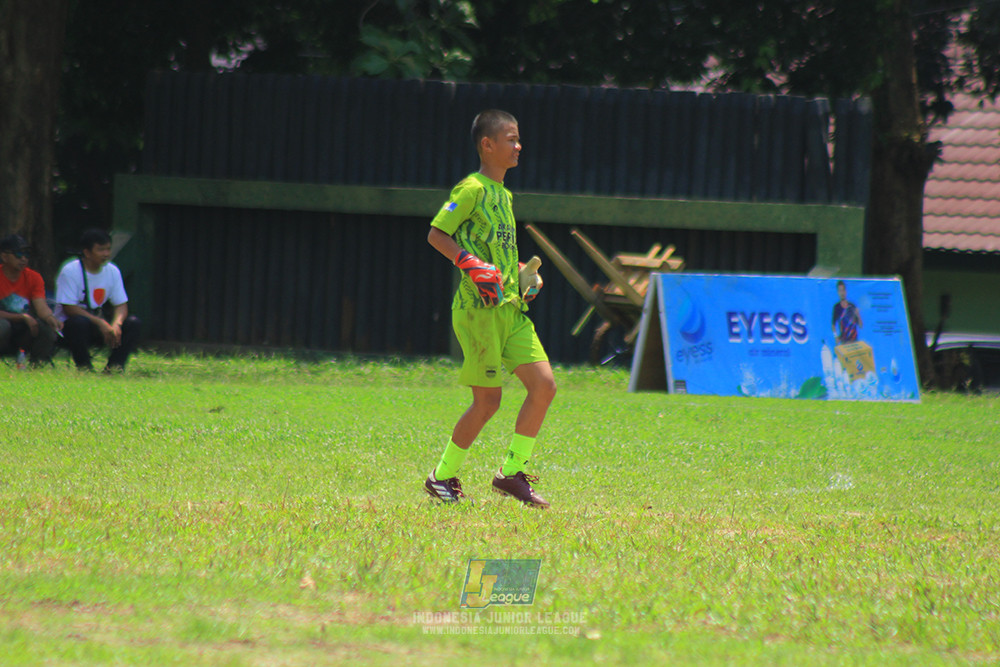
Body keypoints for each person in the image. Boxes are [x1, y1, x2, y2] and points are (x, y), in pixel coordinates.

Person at [423, 109, 557, 509]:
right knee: (488, 401)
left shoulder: (504, 195)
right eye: (511, 139)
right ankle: (441, 476)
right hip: (477, 311)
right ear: (488, 144)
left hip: (510, 310)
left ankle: (511, 474)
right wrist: (468, 263)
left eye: (518, 139)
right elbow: (436, 234)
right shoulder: (471, 189)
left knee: (544, 386)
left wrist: (522, 278)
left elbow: (497, 254)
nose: (519, 146)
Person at [54, 228, 141, 371]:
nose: (106, 254)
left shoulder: (112, 270)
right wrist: (100, 322)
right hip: (68, 328)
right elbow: (69, 308)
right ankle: (84, 368)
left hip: (99, 326)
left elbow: (121, 305)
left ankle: (114, 368)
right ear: (87, 252)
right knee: (78, 323)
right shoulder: (70, 271)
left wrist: (116, 324)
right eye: (101, 250)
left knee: (133, 323)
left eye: (108, 249)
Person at [0, 234, 63, 365]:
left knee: (45, 328)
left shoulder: (34, 278)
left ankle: (37, 366)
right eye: (18, 254)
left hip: (24, 327)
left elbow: (41, 306)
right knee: (3, 325)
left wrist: (51, 318)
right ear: (4, 257)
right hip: (4, 326)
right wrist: (22, 317)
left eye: (26, 254)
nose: (23, 259)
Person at [832, 280, 863, 344]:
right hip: (844, 341)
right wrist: (836, 337)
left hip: (854, 341)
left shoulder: (852, 306)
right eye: (840, 290)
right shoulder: (836, 307)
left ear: (846, 291)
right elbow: (833, 325)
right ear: (838, 292)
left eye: (843, 290)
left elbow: (860, 326)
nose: (842, 293)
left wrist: (858, 315)